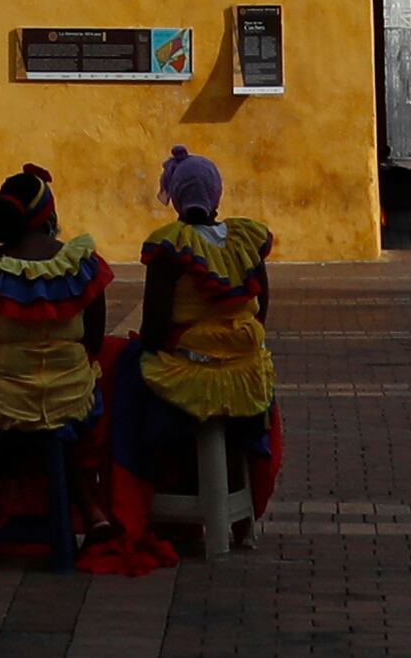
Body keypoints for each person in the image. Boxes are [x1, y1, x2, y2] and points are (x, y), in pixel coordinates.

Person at [111, 148, 276, 547]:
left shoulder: (171, 248)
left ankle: (153, 498)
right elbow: (261, 313)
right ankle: (237, 517)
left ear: (178, 197)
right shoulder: (245, 240)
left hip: (188, 377)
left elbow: (152, 329)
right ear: (217, 194)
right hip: (244, 375)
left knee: (124, 372)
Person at [0, 165, 109, 561]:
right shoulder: (81, 266)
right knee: (59, 416)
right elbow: (95, 343)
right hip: (71, 401)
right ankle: (91, 508)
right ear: (48, 215)